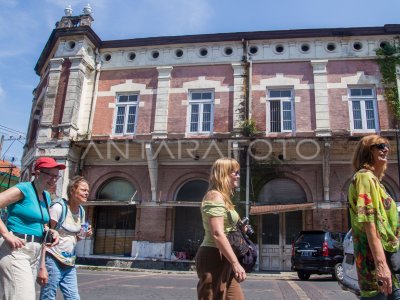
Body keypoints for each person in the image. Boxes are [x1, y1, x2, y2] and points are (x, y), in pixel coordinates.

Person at [0, 156, 62, 300]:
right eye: (50, 175)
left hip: (35, 253)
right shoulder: (24, 189)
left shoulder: (46, 196)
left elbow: (41, 223)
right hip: (17, 250)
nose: (53, 180)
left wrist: (50, 231)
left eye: (56, 177)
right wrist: (6, 234)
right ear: (38, 173)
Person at [349, 135, 400, 300]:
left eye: (386, 146)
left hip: (390, 263)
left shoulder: (378, 183)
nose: (386, 149)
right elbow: (369, 223)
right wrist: (381, 265)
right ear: (367, 151)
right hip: (373, 266)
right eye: (380, 146)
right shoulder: (364, 177)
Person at [195, 157, 246, 300]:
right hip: (213, 256)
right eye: (234, 173)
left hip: (225, 255)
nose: (238, 176)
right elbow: (217, 233)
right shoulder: (214, 197)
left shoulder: (223, 198)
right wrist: (236, 263)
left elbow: (225, 227)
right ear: (224, 174)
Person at [39, 176, 92, 300]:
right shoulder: (58, 208)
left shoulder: (82, 212)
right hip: (52, 258)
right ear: (72, 191)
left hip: (69, 261)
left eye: (88, 191)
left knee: (73, 297)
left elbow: (75, 238)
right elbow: (45, 236)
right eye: (83, 190)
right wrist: (42, 266)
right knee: (48, 296)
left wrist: (85, 234)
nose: (87, 193)